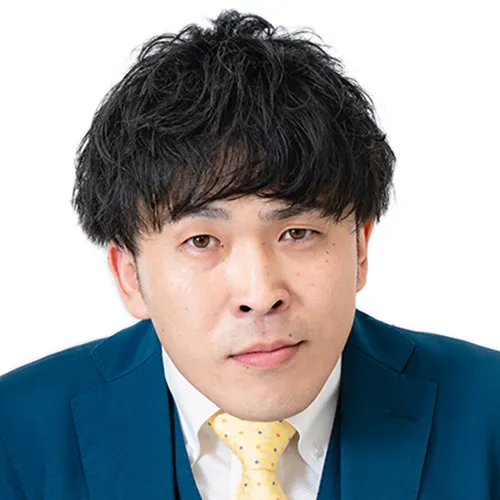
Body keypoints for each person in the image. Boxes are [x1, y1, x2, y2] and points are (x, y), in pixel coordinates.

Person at [0, 9, 499, 499]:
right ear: (129, 275)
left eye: (297, 232)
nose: (260, 295)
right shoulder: (15, 437)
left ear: (360, 246)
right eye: (201, 241)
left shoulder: (488, 412)